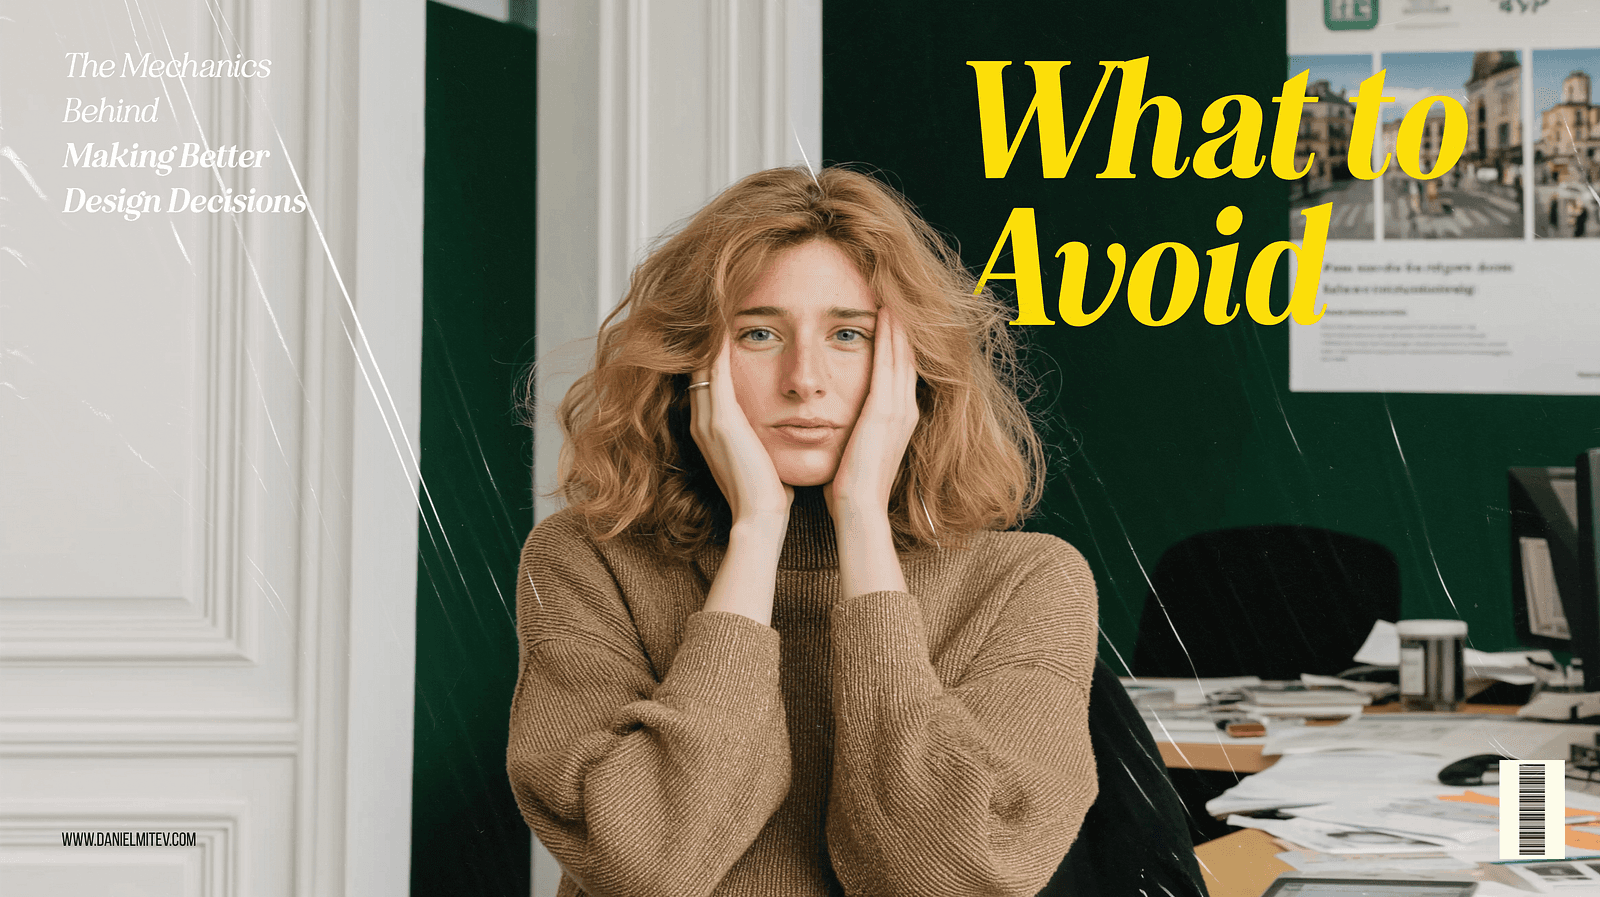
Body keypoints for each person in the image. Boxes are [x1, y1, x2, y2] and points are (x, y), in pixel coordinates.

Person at [506, 166, 1099, 897]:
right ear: (693, 362)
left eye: (849, 334)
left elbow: (947, 879)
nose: (804, 379)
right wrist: (757, 533)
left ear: (913, 367)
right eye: (759, 332)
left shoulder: (1030, 580)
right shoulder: (584, 559)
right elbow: (647, 865)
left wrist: (861, 526)